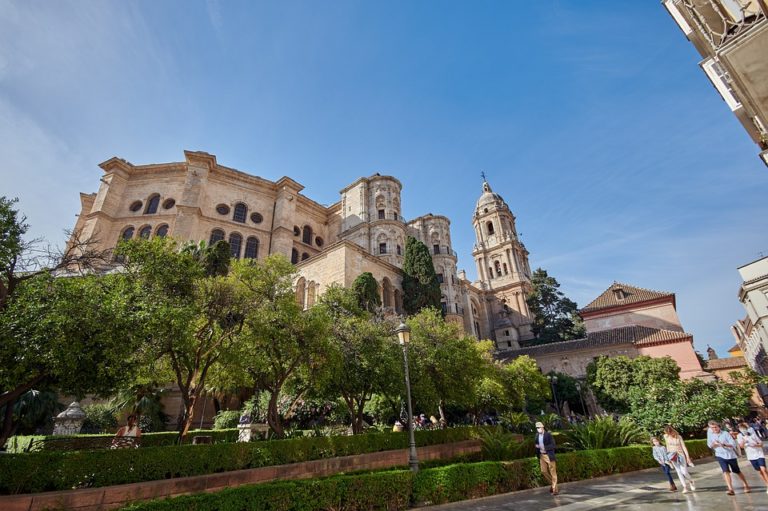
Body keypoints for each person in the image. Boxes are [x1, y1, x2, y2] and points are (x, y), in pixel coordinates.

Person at [708, 420, 751, 495]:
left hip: (730, 455)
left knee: (737, 471)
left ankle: (746, 484)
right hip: (720, 455)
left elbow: (733, 444)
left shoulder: (725, 433)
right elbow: (709, 445)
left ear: (719, 427)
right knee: (725, 471)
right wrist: (714, 444)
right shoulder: (711, 435)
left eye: (715, 427)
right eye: (712, 428)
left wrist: (724, 444)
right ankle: (730, 489)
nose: (714, 429)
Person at [737, 421, 768, 493]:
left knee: (763, 469)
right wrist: (744, 440)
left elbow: (761, 444)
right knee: (760, 471)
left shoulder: (753, 434)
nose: (743, 430)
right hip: (751, 456)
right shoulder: (739, 436)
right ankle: (766, 483)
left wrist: (755, 445)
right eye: (741, 429)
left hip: (759, 454)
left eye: (744, 429)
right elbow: (741, 446)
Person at [663, 425, 695, 493]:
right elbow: (667, 446)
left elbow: (684, 447)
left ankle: (691, 481)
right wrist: (668, 457)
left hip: (680, 455)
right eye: (667, 433)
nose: (669, 434)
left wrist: (688, 458)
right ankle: (685, 487)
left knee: (684, 471)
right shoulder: (665, 436)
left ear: (672, 431)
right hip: (672, 455)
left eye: (670, 432)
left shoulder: (678, 437)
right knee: (679, 471)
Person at [534, 421, 558, 495]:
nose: (538, 429)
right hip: (542, 455)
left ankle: (554, 489)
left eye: (539, 427)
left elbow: (553, 445)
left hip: (549, 455)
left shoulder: (548, 435)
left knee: (553, 472)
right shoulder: (537, 435)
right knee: (543, 471)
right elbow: (536, 444)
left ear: (543, 427)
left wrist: (545, 447)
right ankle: (553, 484)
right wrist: (536, 447)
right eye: (537, 428)